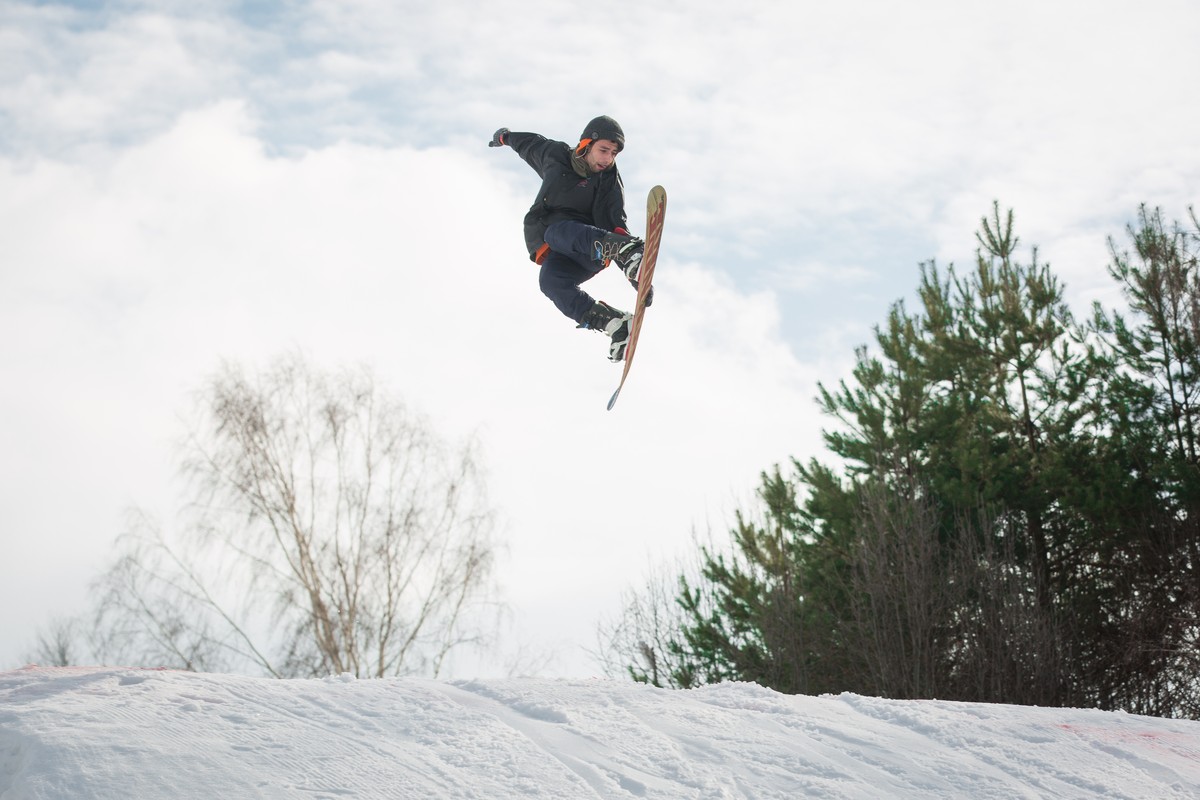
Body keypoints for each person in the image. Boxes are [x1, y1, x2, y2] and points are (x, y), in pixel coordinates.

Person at [489, 116, 649, 362]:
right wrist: (505, 137)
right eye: (603, 150)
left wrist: (636, 271)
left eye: (613, 154)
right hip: (561, 250)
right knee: (550, 281)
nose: (607, 159)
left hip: (593, 249)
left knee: (556, 232)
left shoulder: (609, 184)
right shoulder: (554, 155)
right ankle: (615, 325)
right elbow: (529, 144)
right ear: (586, 144)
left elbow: (616, 225)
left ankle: (628, 254)